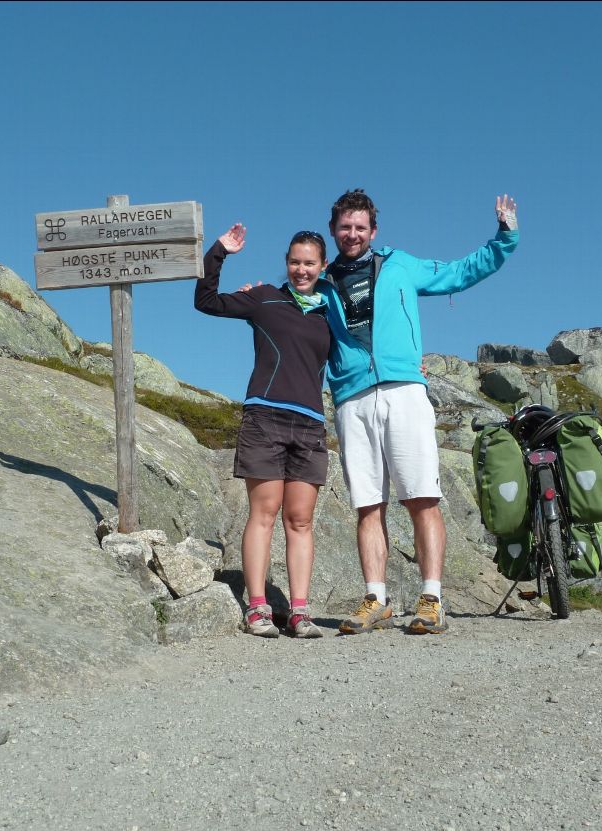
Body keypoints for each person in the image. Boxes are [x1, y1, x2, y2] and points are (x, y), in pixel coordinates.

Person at [319, 189, 519, 635]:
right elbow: (292, 317)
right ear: (334, 230)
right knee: (367, 505)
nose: (352, 234)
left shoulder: (400, 265)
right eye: (345, 227)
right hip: (352, 398)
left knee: (421, 497)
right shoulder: (323, 281)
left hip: (404, 390)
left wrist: (504, 235)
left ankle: (432, 599)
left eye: (360, 227)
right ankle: (376, 599)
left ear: (373, 231)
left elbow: (460, 273)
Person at [195, 224, 332, 638]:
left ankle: (299, 612)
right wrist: (220, 251)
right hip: (265, 418)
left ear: (322, 266)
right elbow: (207, 301)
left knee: (301, 520)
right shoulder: (264, 298)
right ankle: (258, 608)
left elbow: (361, 351)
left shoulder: (332, 314)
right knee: (265, 513)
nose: (301, 270)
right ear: (286, 263)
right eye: (294, 262)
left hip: (310, 425)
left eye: (309, 263)